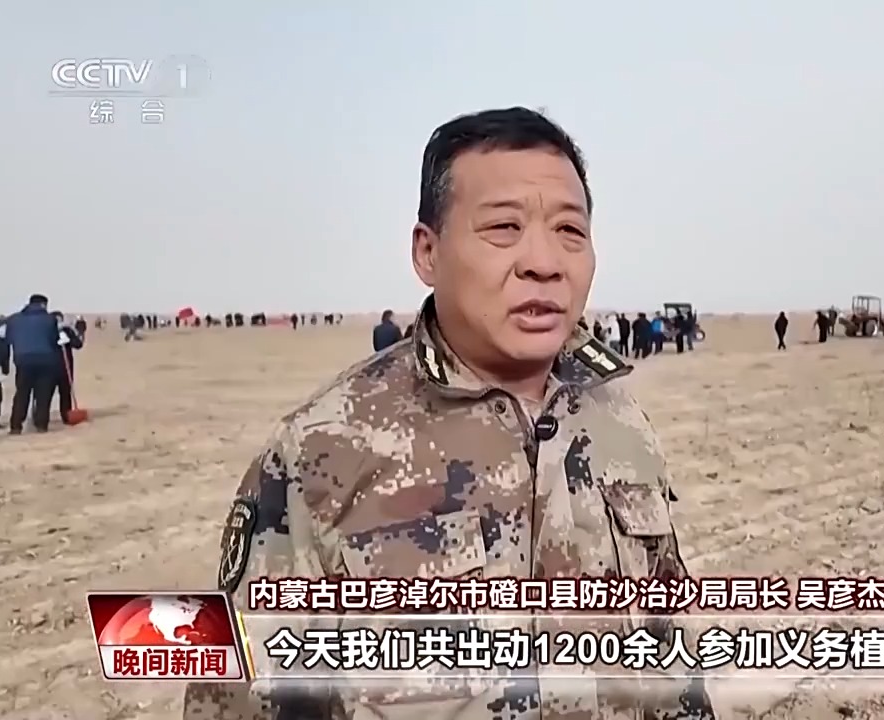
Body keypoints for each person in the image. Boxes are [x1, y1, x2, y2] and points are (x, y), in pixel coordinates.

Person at [182, 107, 713, 720]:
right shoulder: (320, 452)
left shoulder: (618, 420)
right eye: (504, 227)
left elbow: (671, 660)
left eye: (570, 230)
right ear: (427, 252)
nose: (545, 262)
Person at [5, 294, 61, 434]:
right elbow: (54, 339)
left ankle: (16, 426)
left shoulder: (14, 319)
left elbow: (9, 339)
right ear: (43, 304)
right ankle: (41, 425)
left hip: (23, 360)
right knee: (43, 395)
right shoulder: (50, 319)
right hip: (46, 360)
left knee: (22, 393)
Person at [50, 312, 85, 424]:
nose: (59, 323)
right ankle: (40, 417)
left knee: (65, 392)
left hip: (66, 366)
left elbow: (78, 344)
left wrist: (69, 338)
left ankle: (66, 416)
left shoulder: (67, 330)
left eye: (60, 320)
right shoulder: (47, 331)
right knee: (46, 393)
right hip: (49, 366)